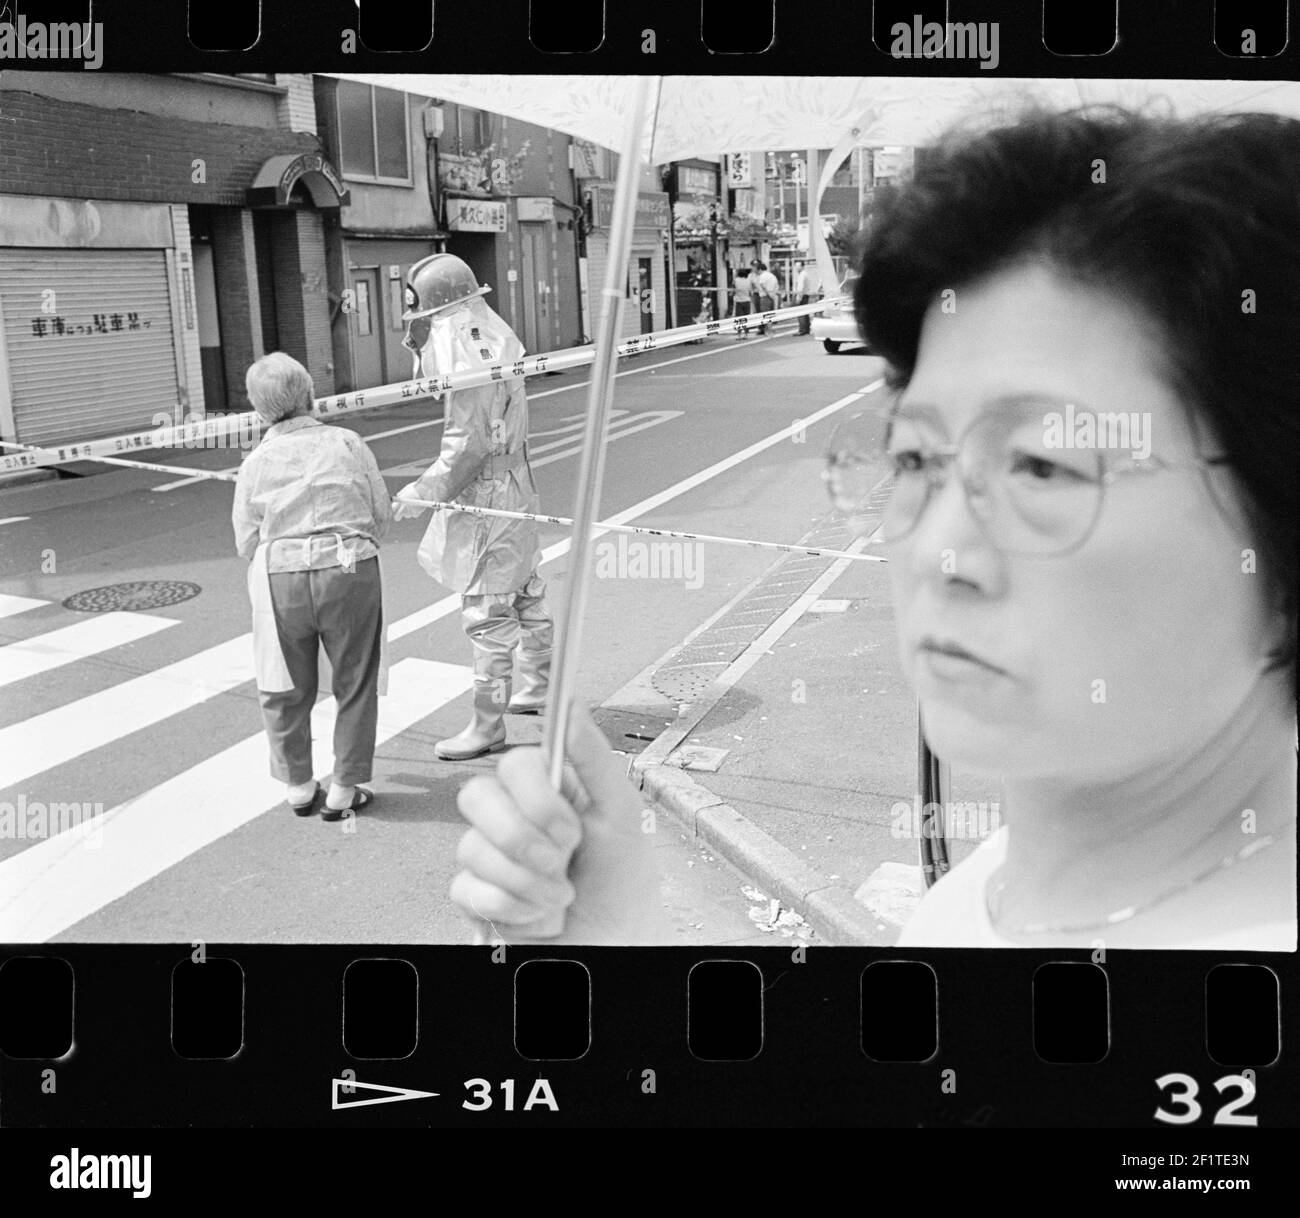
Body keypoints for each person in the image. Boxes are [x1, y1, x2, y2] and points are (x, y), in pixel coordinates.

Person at [447, 107, 1298, 950]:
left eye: (1043, 465)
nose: (938, 550)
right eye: (918, 459)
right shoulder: (975, 901)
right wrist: (606, 937)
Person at [392, 253, 554, 761]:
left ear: (437, 307)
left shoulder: (459, 345)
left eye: (421, 313)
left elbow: (467, 441)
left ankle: (488, 725)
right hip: (516, 483)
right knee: (526, 591)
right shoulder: (490, 330)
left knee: (486, 613)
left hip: (486, 494)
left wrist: (424, 491)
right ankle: (541, 686)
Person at [232, 352, 391, 821]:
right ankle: (345, 787)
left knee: (283, 683)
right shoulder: (348, 443)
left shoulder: (256, 461)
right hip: (349, 569)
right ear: (310, 395)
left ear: (260, 410)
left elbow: (245, 539)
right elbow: (379, 514)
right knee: (355, 681)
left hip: (282, 577)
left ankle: (299, 785)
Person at [751, 260, 780, 335]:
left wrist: (768, 293)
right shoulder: (772, 275)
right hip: (772, 297)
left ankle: (769, 331)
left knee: (766, 314)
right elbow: (777, 286)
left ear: (760, 269)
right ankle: (770, 330)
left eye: (757, 269)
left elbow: (762, 285)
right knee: (770, 314)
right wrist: (772, 294)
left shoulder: (763, 276)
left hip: (765, 297)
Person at [794, 259, 821, 335]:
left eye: (798, 266)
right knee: (805, 313)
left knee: (801, 313)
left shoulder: (802, 275)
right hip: (805, 295)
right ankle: (806, 329)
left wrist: (798, 297)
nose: (796, 268)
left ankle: (802, 330)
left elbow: (800, 287)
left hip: (802, 295)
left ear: (802, 266)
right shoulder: (805, 274)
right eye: (796, 266)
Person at [731, 266, 753, 337]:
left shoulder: (736, 280)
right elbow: (750, 292)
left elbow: (733, 290)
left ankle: (739, 334)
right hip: (747, 301)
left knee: (739, 318)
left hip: (739, 301)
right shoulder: (748, 281)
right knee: (746, 318)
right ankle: (746, 333)